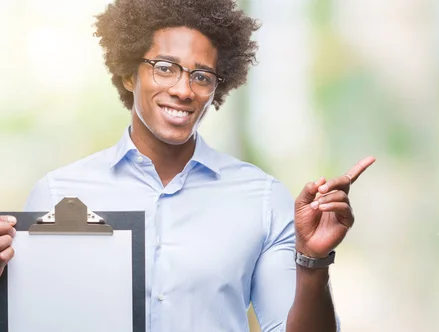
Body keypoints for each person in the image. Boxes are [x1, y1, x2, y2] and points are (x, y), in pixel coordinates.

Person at [0, 0, 375, 331]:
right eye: (165, 68)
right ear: (130, 74)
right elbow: (32, 320)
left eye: (201, 76)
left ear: (216, 89)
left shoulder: (261, 198)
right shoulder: (58, 193)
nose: (183, 89)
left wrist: (313, 261)